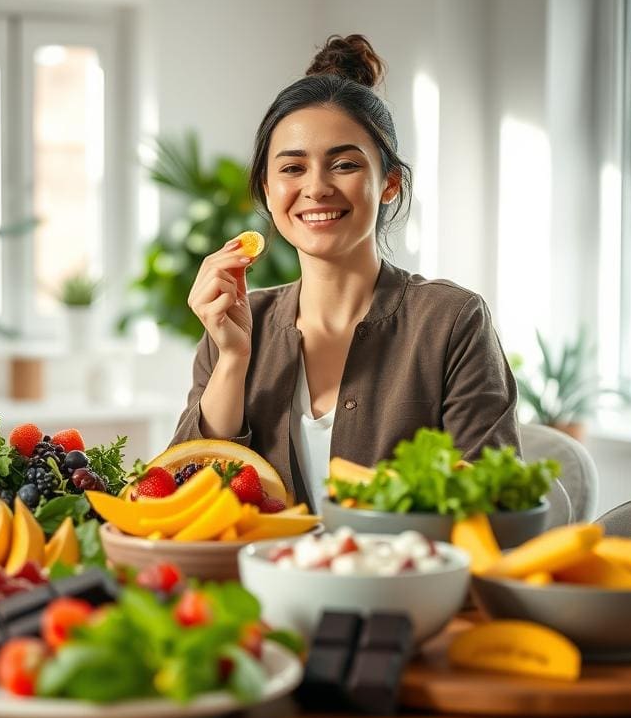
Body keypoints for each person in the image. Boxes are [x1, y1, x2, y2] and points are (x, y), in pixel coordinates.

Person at [171, 34, 519, 509]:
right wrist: (232, 360)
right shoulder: (235, 321)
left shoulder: (452, 321)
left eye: (344, 164)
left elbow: (495, 505)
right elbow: (183, 502)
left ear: (389, 183)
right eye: (292, 169)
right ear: (268, 192)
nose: (316, 187)